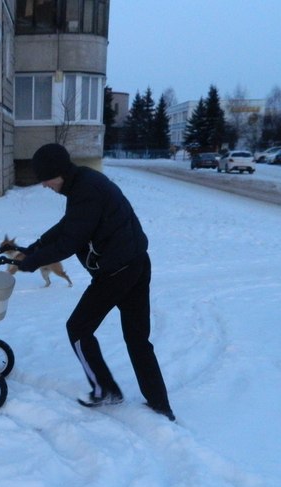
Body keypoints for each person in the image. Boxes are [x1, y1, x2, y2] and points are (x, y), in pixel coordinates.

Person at [16, 143, 175, 421]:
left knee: (78, 327)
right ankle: (160, 404)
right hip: (135, 262)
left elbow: (70, 240)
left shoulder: (86, 191)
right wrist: (36, 246)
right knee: (138, 339)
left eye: (45, 178)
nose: (43, 185)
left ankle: (106, 390)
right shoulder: (84, 184)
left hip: (117, 272)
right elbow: (69, 225)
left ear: (59, 173)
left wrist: (31, 262)